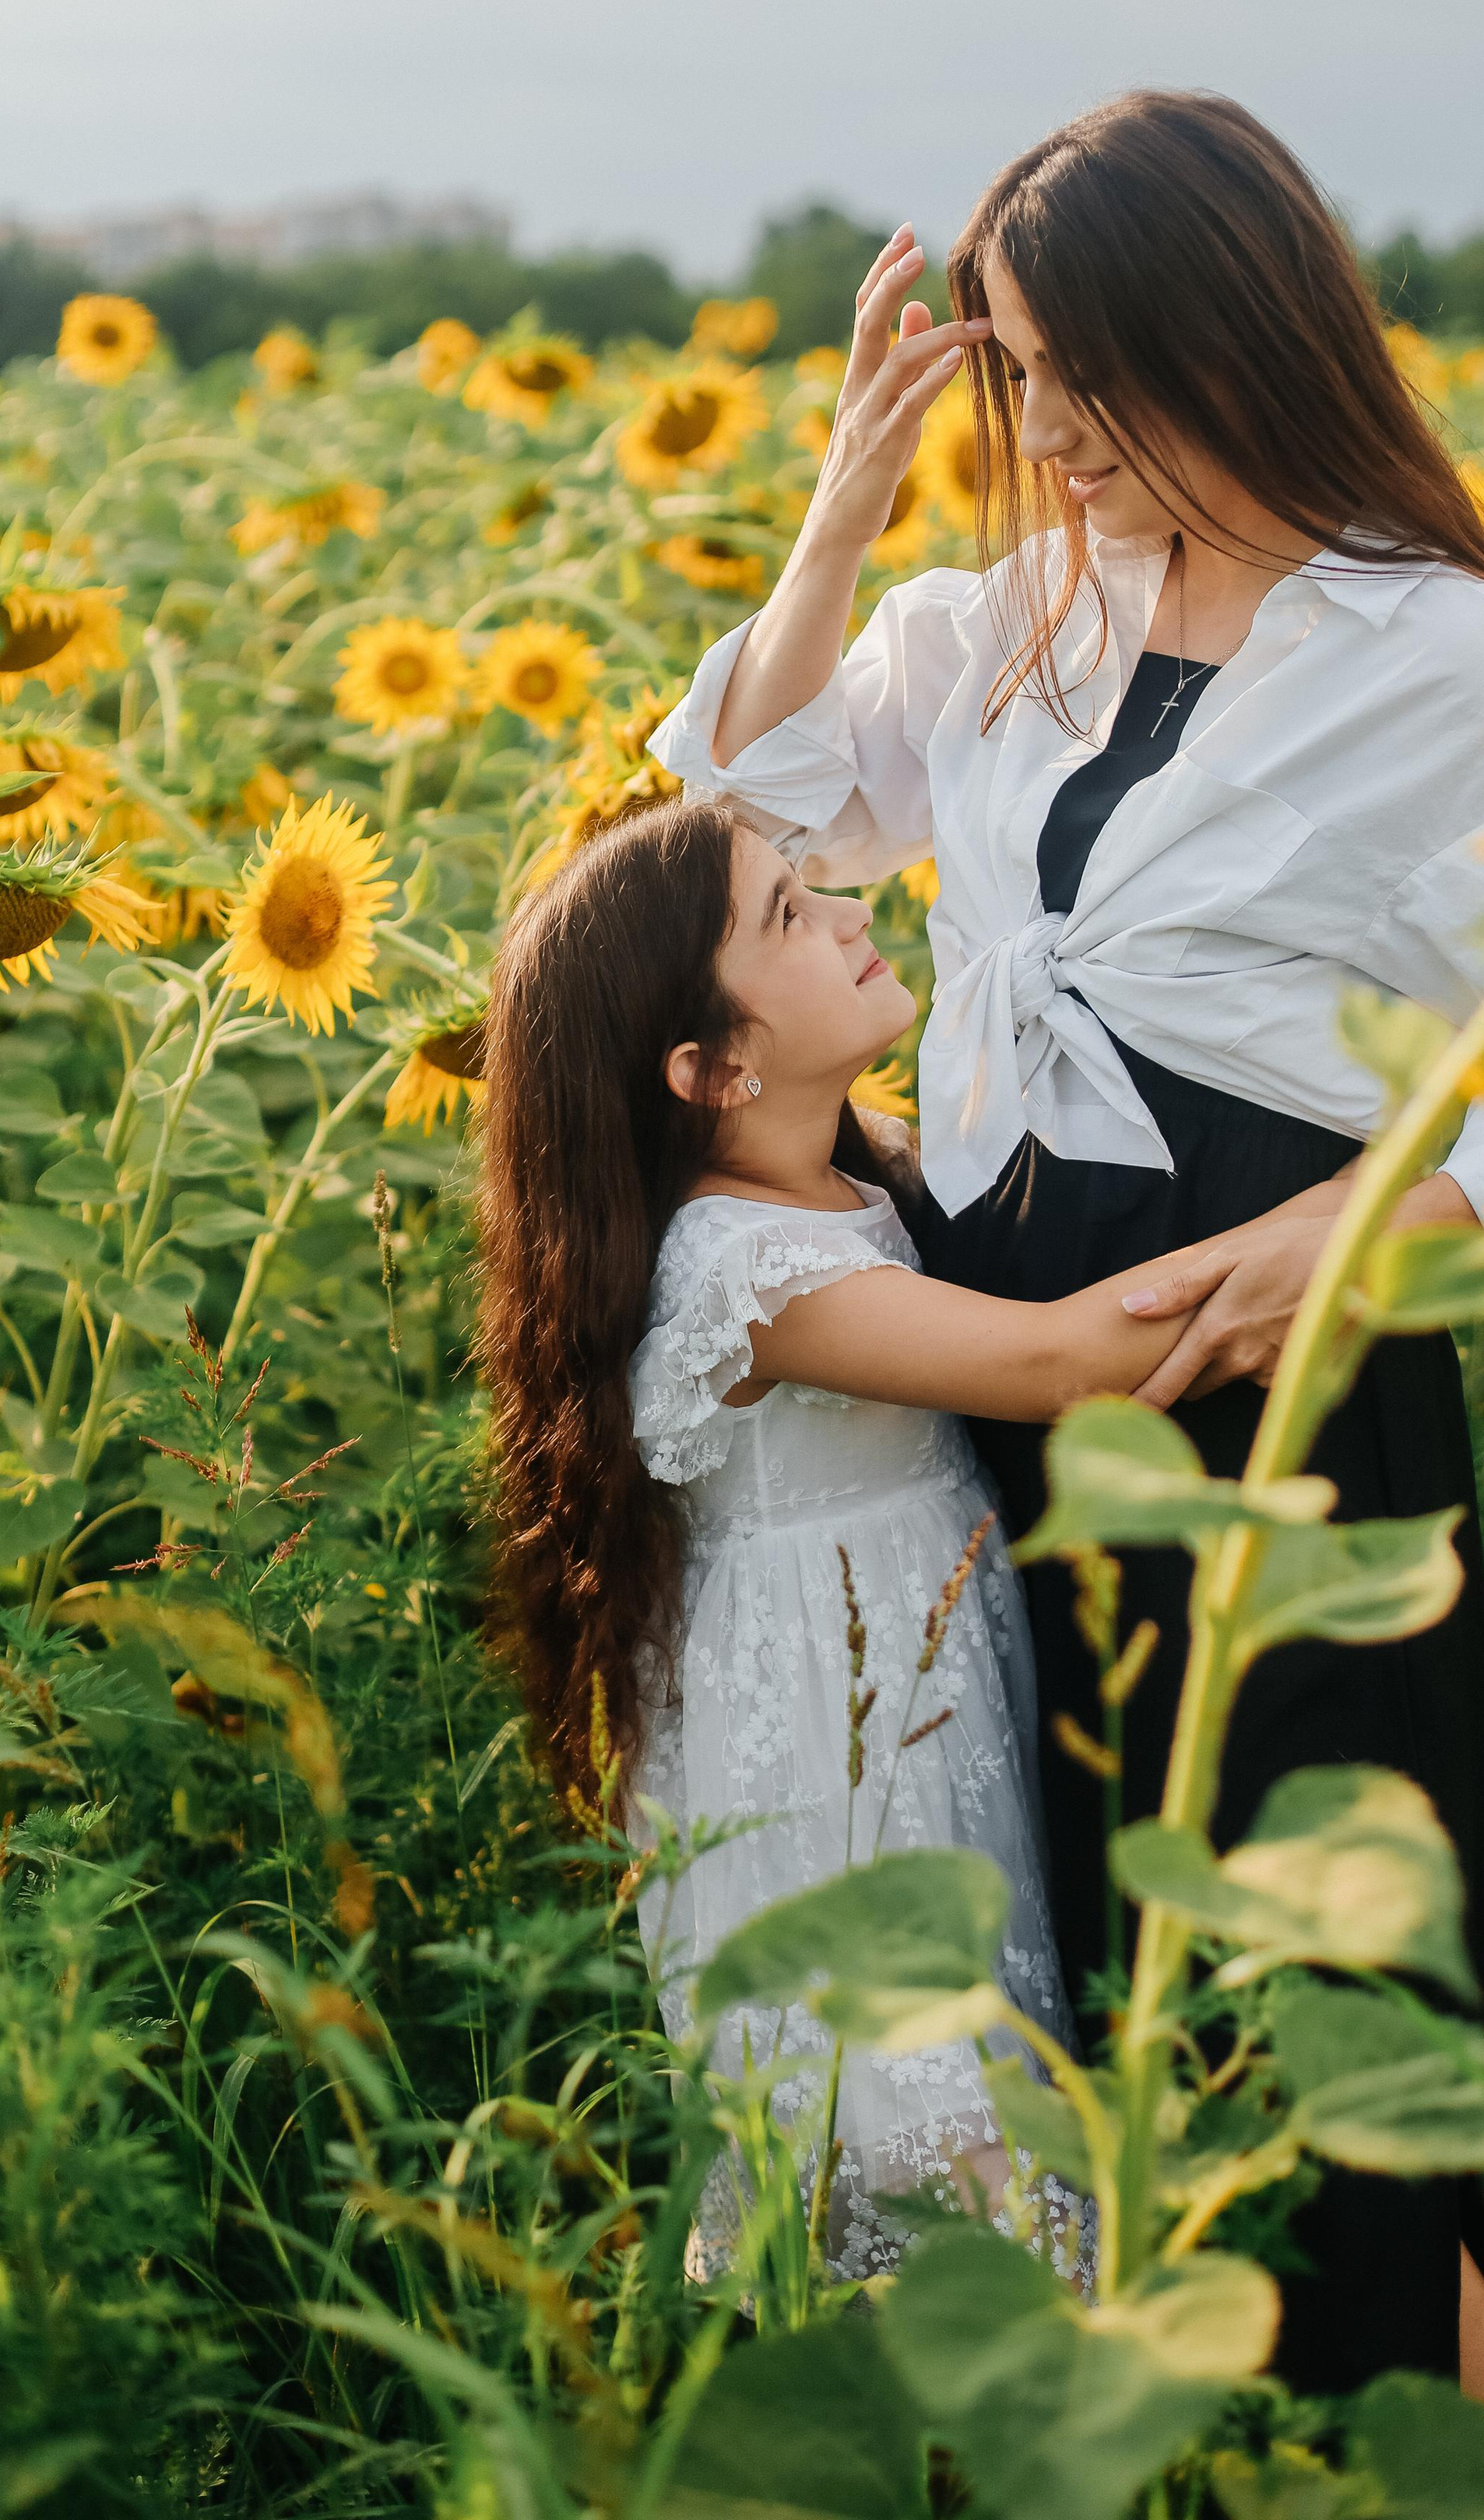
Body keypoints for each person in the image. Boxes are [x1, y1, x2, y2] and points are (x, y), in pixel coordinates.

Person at [647, 91, 1484, 2503]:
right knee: (1101, 1998)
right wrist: (844, 514)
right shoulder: (995, 626)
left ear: (1247, 336)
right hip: (996, 1409)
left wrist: (1344, 1239)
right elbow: (744, 829)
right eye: (1021, 377)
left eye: (1104, 376)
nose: (1061, 439)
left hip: (1275, 1414)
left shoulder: (1456, 671)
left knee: (1331, 1993)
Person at [479, 795, 1191, 2281]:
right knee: (939, 2143)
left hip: (920, 1680)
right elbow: (1064, 1362)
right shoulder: (743, 1265)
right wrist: (1349, 1222)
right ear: (713, 1068)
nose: (857, 912)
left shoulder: (855, 1167)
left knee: (997, 2079)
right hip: (827, 1737)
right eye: (792, 916)